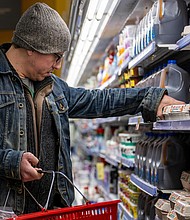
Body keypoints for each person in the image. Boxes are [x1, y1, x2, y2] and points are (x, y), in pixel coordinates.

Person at [0, 2, 184, 216]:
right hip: (11, 210)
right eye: (55, 56)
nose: (58, 65)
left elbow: (98, 100)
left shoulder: (53, 87)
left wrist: (148, 97)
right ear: (31, 48)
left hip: (54, 209)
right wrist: (11, 162)